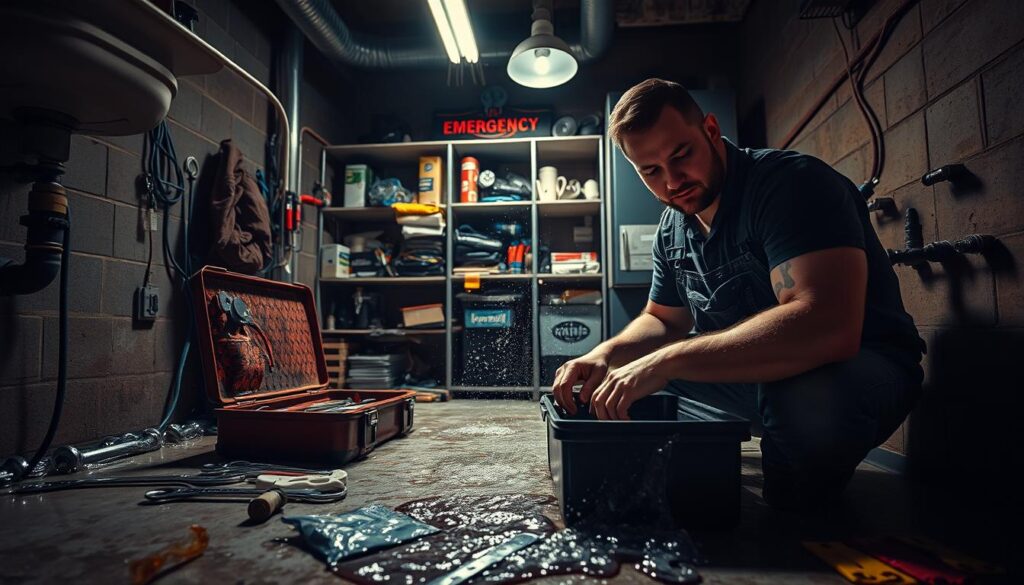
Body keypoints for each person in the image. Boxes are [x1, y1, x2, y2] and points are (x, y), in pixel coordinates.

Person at [552, 78, 925, 511]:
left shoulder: (790, 185)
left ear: (711, 130)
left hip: (857, 372)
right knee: (618, 387)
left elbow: (827, 325)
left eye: (681, 155)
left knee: (800, 405)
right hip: (762, 382)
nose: (672, 181)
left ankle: (801, 515)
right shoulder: (671, 230)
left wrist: (667, 359)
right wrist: (607, 355)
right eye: (650, 171)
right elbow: (664, 321)